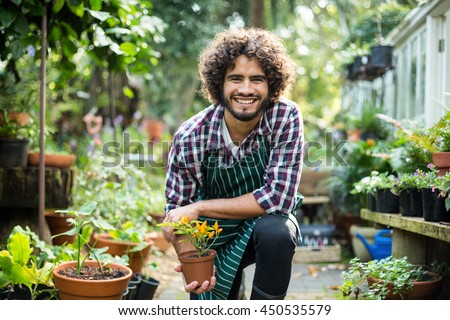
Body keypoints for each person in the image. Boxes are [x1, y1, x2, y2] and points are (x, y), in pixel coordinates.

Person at [162, 27, 304, 300]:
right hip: (213, 235)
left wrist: (200, 206)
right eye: (235, 78)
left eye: (257, 80)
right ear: (219, 84)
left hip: (263, 225)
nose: (246, 89)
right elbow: (178, 211)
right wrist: (191, 259)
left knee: (278, 231)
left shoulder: (284, 117)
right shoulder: (191, 136)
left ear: (272, 85)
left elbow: (278, 199)